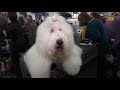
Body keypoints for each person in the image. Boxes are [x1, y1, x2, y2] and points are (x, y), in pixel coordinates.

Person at [78, 12, 109, 79]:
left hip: (102, 45)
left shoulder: (91, 25)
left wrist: (88, 40)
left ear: (82, 20)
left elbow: (96, 36)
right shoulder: (96, 20)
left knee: (100, 63)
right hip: (106, 41)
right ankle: (102, 74)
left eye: (79, 20)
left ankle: (101, 75)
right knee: (103, 62)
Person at [7, 12, 25, 78]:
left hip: (15, 47)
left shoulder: (10, 25)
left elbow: (11, 37)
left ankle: (19, 75)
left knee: (16, 64)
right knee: (21, 63)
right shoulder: (19, 23)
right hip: (22, 45)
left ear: (9, 17)